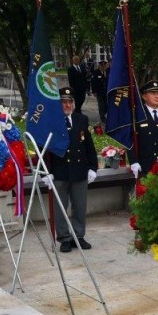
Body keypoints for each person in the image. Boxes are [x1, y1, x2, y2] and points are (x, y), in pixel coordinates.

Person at [48, 87, 98, 253]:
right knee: (60, 207)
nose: (67, 105)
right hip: (59, 171)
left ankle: (78, 236)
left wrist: (93, 167)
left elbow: (88, 145)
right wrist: (46, 171)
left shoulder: (81, 119)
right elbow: (44, 148)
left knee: (80, 206)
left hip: (79, 170)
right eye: (63, 102)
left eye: (70, 102)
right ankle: (64, 238)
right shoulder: (52, 121)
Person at [128, 79, 158, 179]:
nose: (157, 96)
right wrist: (133, 162)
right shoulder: (137, 116)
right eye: (153, 93)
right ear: (144, 96)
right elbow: (129, 140)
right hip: (144, 166)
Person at [91, 59, 109, 126]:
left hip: (106, 91)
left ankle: (103, 113)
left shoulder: (107, 72)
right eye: (102, 66)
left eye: (104, 66)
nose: (103, 67)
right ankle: (102, 117)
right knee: (101, 104)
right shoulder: (96, 72)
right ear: (99, 66)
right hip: (99, 91)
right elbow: (93, 82)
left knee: (106, 105)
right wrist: (94, 91)